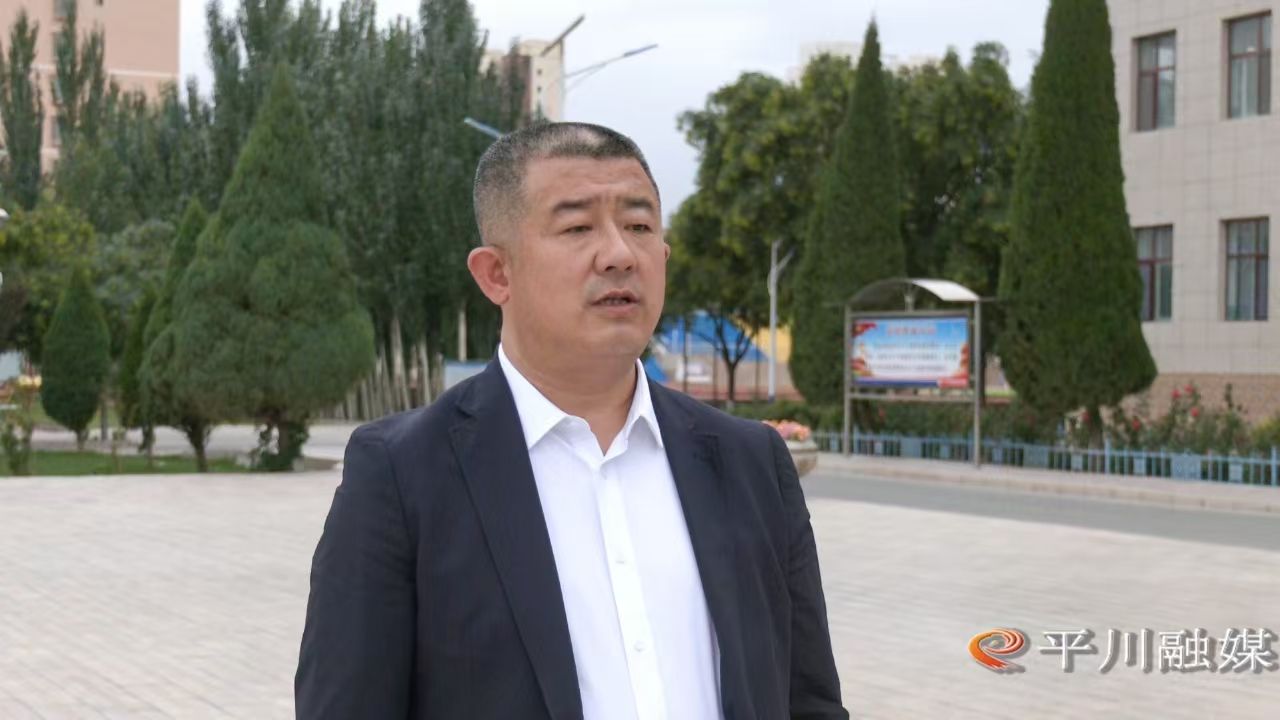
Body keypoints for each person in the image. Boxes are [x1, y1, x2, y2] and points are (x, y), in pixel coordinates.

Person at [295, 122, 848, 719]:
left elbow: (809, 701)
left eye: (639, 227)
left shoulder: (750, 463)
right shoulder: (403, 476)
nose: (619, 254)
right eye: (578, 227)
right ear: (496, 274)